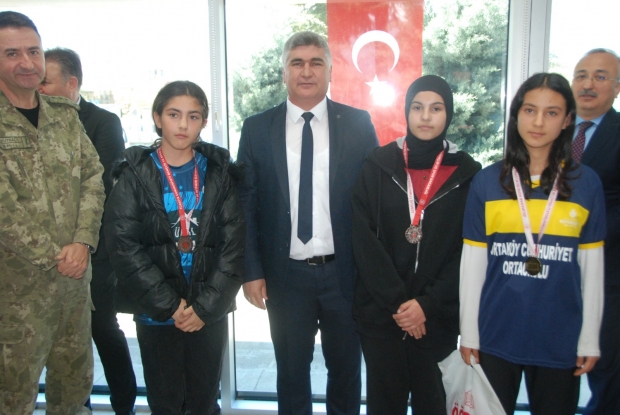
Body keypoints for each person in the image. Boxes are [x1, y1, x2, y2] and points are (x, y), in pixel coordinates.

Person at [237, 31, 378, 415]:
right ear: (284, 73)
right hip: (285, 277)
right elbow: (245, 205)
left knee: (346, 373)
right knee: (291, 375)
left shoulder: (358, 124)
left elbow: (375, 204)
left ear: (330, 71)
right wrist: (251, 271)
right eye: (296, 63)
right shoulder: (257, 129)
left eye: (316, 62)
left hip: (345, 276)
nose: (306, 71)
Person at [459, 72, 606, 415]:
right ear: (516, 115)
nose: (538, 122)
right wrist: (469, 333)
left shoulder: (586, 184)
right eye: (529, 110)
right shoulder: (487, 182)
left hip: (560, 336)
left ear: (567, 120)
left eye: (551, 112)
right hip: (495, 334)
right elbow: (473, 265)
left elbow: (592, 269)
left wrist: (589, 339)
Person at [103, 80, 244, 415]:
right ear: (157, 117)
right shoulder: (134, 174)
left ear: (204, 122)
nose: (183, 125)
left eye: (193, 117)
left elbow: (233, 246)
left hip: (207, 312)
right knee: (165, 403)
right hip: (156, 313)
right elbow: (124, 247)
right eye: (173, 114)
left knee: (204, 402)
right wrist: (169, 305)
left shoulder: (220, 173)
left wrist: (205, 307)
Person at [351, 75, 480, 415]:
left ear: (448, 114)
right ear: (407, 112)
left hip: (435, 320)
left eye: (436, 109)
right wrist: (399, 303)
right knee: (383, 406)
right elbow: (364, 241)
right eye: (418, 108)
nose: (425, 116)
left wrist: (427, 305)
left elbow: (468, 251)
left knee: (432, 405)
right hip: (382, 318)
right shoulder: (378, 165)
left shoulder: (467, 174)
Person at [0, 11, 105, 415]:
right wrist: (55, 256)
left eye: (33, 51)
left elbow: (93, 176)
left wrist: (83, 241)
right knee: (13, 398)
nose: (27, 62)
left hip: (73, 291)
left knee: (73, 393)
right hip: (16, 297)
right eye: (12, 53)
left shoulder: (64, 115)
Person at [38, 47, 137, 415]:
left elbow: (105, 187)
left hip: (96, 251)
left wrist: (81, 241)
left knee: (102, 329)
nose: (39, 88)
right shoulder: (29, 119)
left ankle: (124, 405)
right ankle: (77, 407)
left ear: (71, 84)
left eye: (45, 81)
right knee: (60, 338)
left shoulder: (102, 122)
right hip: (45, 252)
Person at [570, 48, 620, 415]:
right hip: (552, 276)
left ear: (616, 87)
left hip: (607, 275)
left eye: (600, 77)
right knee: (557, 369)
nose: (588, 84)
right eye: (581, 75)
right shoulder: (550, 129)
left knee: (607, 371)